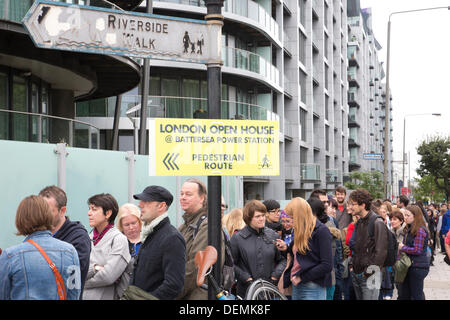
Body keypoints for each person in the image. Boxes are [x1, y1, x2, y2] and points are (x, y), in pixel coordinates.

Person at [0, 195, 81, 300]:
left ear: (21, 219)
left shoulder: (10, 256)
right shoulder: (70, 251)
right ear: (48, 216)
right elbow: (74, 293)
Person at [130, 186, 186, 300]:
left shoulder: (172, 238)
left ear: (161, 206)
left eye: (146, 201)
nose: (140, 205)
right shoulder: (150, 233)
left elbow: (174, 285)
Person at [38, 185, 91, 297]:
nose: (43, 216)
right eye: (40, 211)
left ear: (62, 211)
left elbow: (70, 274)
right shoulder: (38, 234)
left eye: (48, 211)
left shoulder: (78, 237)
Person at [177, 178, 225, 300]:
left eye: (188, 194)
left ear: (202, 198)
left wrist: (173, 293)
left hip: (198, 295)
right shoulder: (184, 226)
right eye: (181, 193)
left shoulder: (208, 225)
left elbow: (194, 268)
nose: (183, 197)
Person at [230, 200, 286, 298]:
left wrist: (274, 276)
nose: (262, 219)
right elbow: (231, 264)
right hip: (247, 291)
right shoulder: (238, 238)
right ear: (249, 218)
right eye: (257, 216)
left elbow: (282, 259)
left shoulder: (273, 235)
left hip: (270, 291)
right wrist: (246, 278)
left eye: (263, 215)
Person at [280, 197, 332, 300]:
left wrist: (301, 277)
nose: (290, 222)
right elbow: (298, 256)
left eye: (292, 217)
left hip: (313, 285)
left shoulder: (321, 231)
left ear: (299, 216)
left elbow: (327, 265)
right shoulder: (300, 231)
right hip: (297, 284)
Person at [83, 193, 131, 300]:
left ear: (108, 213)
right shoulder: (86, 238)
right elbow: (75, 271)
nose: (89, 213)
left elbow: (108, 276)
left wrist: (81, 283)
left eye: (94, 209)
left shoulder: (118, 239)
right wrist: (96, 268)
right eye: (89, 209)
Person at [347, 189, 388, 300]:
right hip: (357, 273)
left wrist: (368, 273)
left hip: (371, 276)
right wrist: (352, 265)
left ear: (363, 205)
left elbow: (381, 253)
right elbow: (356, 247)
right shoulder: (360, 222)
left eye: (353, 204)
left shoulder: (377, 223)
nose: (350, 207)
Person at [308, 197, 343, 300]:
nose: (326, 205)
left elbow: (333, 254)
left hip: (325, 278)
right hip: (319, 278)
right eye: (324, 203)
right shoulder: (309, 227)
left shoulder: (325, 229)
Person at [398, 205, 430, 300]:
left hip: (417, 267)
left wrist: (403, 247)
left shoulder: (420, 230)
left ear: (415, 216)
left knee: (416, 295)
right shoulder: (410, 228)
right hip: (411, 265)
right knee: (406, 294)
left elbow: (417, 250)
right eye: (405, 215)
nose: (405, 218)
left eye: (408, 215)